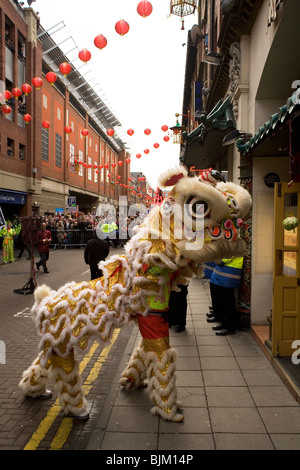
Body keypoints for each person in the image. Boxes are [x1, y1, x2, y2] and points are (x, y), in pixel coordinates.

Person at [208, 257, 244, 336]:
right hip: (223, 272)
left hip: (230, 272)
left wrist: (216, 259)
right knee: (222, 299)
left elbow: (226, 257)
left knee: (227, 301)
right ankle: (224, 323)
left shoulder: (234, 244)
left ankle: (229, 327)